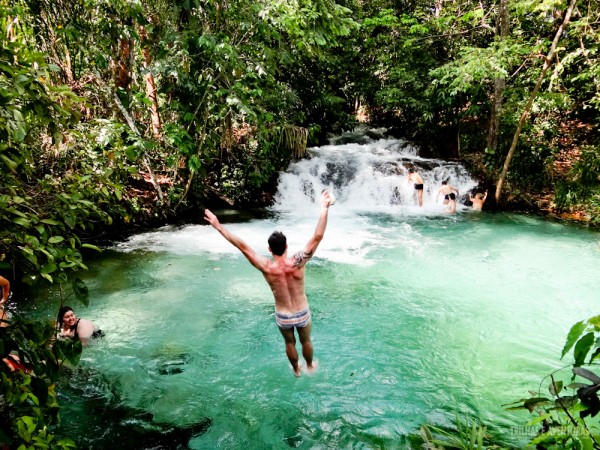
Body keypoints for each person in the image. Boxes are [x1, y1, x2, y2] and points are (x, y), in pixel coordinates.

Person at [204, 190, 334, 377]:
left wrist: (218, 226)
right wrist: (324, 208)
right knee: (306, 341)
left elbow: (241, 246)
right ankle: (310, 366)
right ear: (287, 246)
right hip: (302, 311)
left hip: (283, 315)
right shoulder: (298, 262)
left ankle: (296, 370)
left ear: (269, 249)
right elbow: (317, 237)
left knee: (289, 344)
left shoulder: (266, 267)